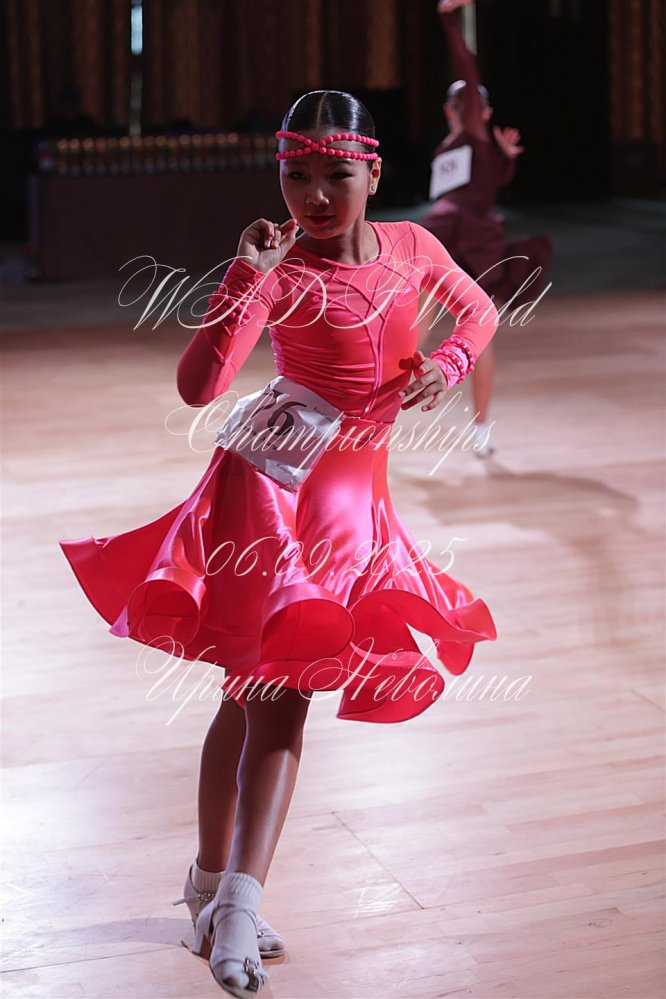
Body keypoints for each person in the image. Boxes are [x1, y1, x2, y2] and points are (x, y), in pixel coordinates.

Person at [58, 90, 500, 997]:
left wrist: (449, 366)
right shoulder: (280, 266)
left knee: (248, 697)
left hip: (353, 498)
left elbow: (480, 312)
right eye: (297, 175)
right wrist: (243, 275)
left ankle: (208, 885)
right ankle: (234, 910)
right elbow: (198, 386)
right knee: (281, 700)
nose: (314, 196)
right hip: (276, 493)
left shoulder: (413, 248)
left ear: (374, 171)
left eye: (336, 174)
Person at [420, 0, 552, 457]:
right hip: (446, 234)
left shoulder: (477, 137)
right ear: (448, 110)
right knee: (416, 320)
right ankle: (378, 408)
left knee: (478, 328)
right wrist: (502, 162)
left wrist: (448, 19)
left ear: (482, 110)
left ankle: (480, 429)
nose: (470, 106)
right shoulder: (452, 144)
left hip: (475, 240)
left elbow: (467, 68)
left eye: (475, 102)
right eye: (462, 102)